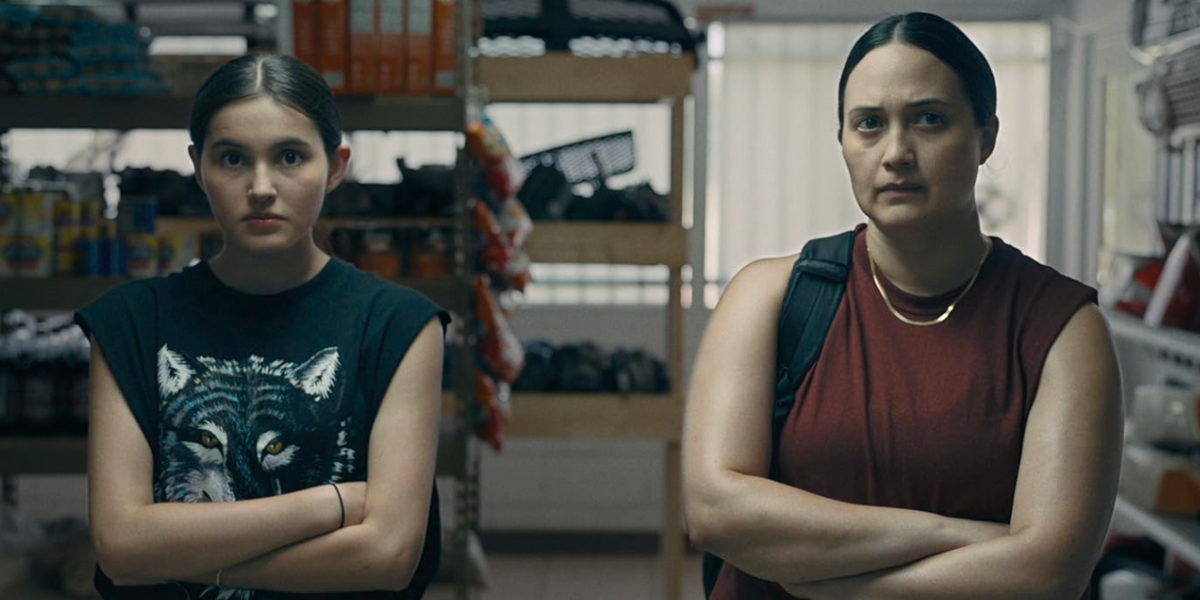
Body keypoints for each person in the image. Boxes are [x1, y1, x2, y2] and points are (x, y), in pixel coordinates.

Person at [682, 12, 1122, 600]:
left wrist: (837, 587)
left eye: (929, 120)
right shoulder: (769, 297)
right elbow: (715, 512)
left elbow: (1048, 574)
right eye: (868, 124)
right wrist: (962, 537)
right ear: (842, 140)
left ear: (985, 136)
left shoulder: (1061, 329)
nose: (895, 152)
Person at [76, 54, 448, 600]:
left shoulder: (398, 325)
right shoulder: (131, 321)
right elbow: (120, 544)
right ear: (198, 167)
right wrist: (334, 504)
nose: (261, 187)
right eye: (231, 158)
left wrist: (183, 559)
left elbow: (386, 557)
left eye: (290, 156)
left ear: (337, 165)